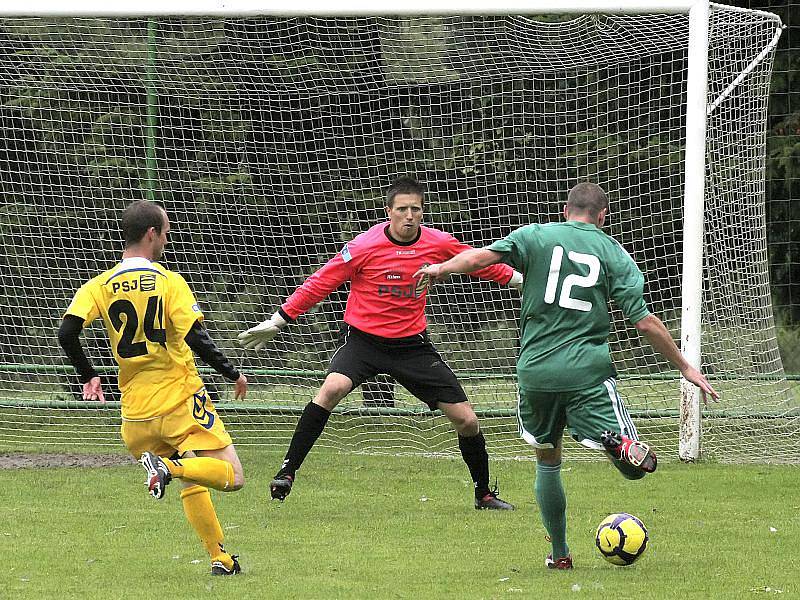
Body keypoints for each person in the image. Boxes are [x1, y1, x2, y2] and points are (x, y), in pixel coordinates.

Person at [415, 182, 719, 569]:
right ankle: (620, 444)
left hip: (536, 371)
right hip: (586, 372)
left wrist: (440, 266)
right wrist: (686, 367)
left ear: (565, 209)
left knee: (547, 459)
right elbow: (645, 323)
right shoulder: (613, 253)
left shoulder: (535, 236)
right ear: (602, 216)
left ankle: (559, 555)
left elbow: (479, 258)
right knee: (635, 471)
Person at [239, 176, 523, 510]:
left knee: (467, 421)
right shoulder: (364, 246)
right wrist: (280, 319)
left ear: (422, 212)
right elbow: (321, 282)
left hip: (411, 346)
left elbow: (476, 261)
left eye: (415, 209)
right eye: (402, 209)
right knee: (330, 390)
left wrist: (519, 280)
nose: (409, 216)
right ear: (388, 212)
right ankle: (287, 471)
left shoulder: (437, 242)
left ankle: (484, 494)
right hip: (363, 342)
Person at [58, 200, 248, 576]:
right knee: (233, 476)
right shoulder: (168, 280)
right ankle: (166, 468)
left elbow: (67, 333)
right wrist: (232, 374)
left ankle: (220, 557)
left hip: (135, 413)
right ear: (151, 234)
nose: (167, 238)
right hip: (179, 400)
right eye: (165, 232)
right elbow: (194, 335)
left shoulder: (99, 285)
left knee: (194, 477)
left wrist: (88, 375)